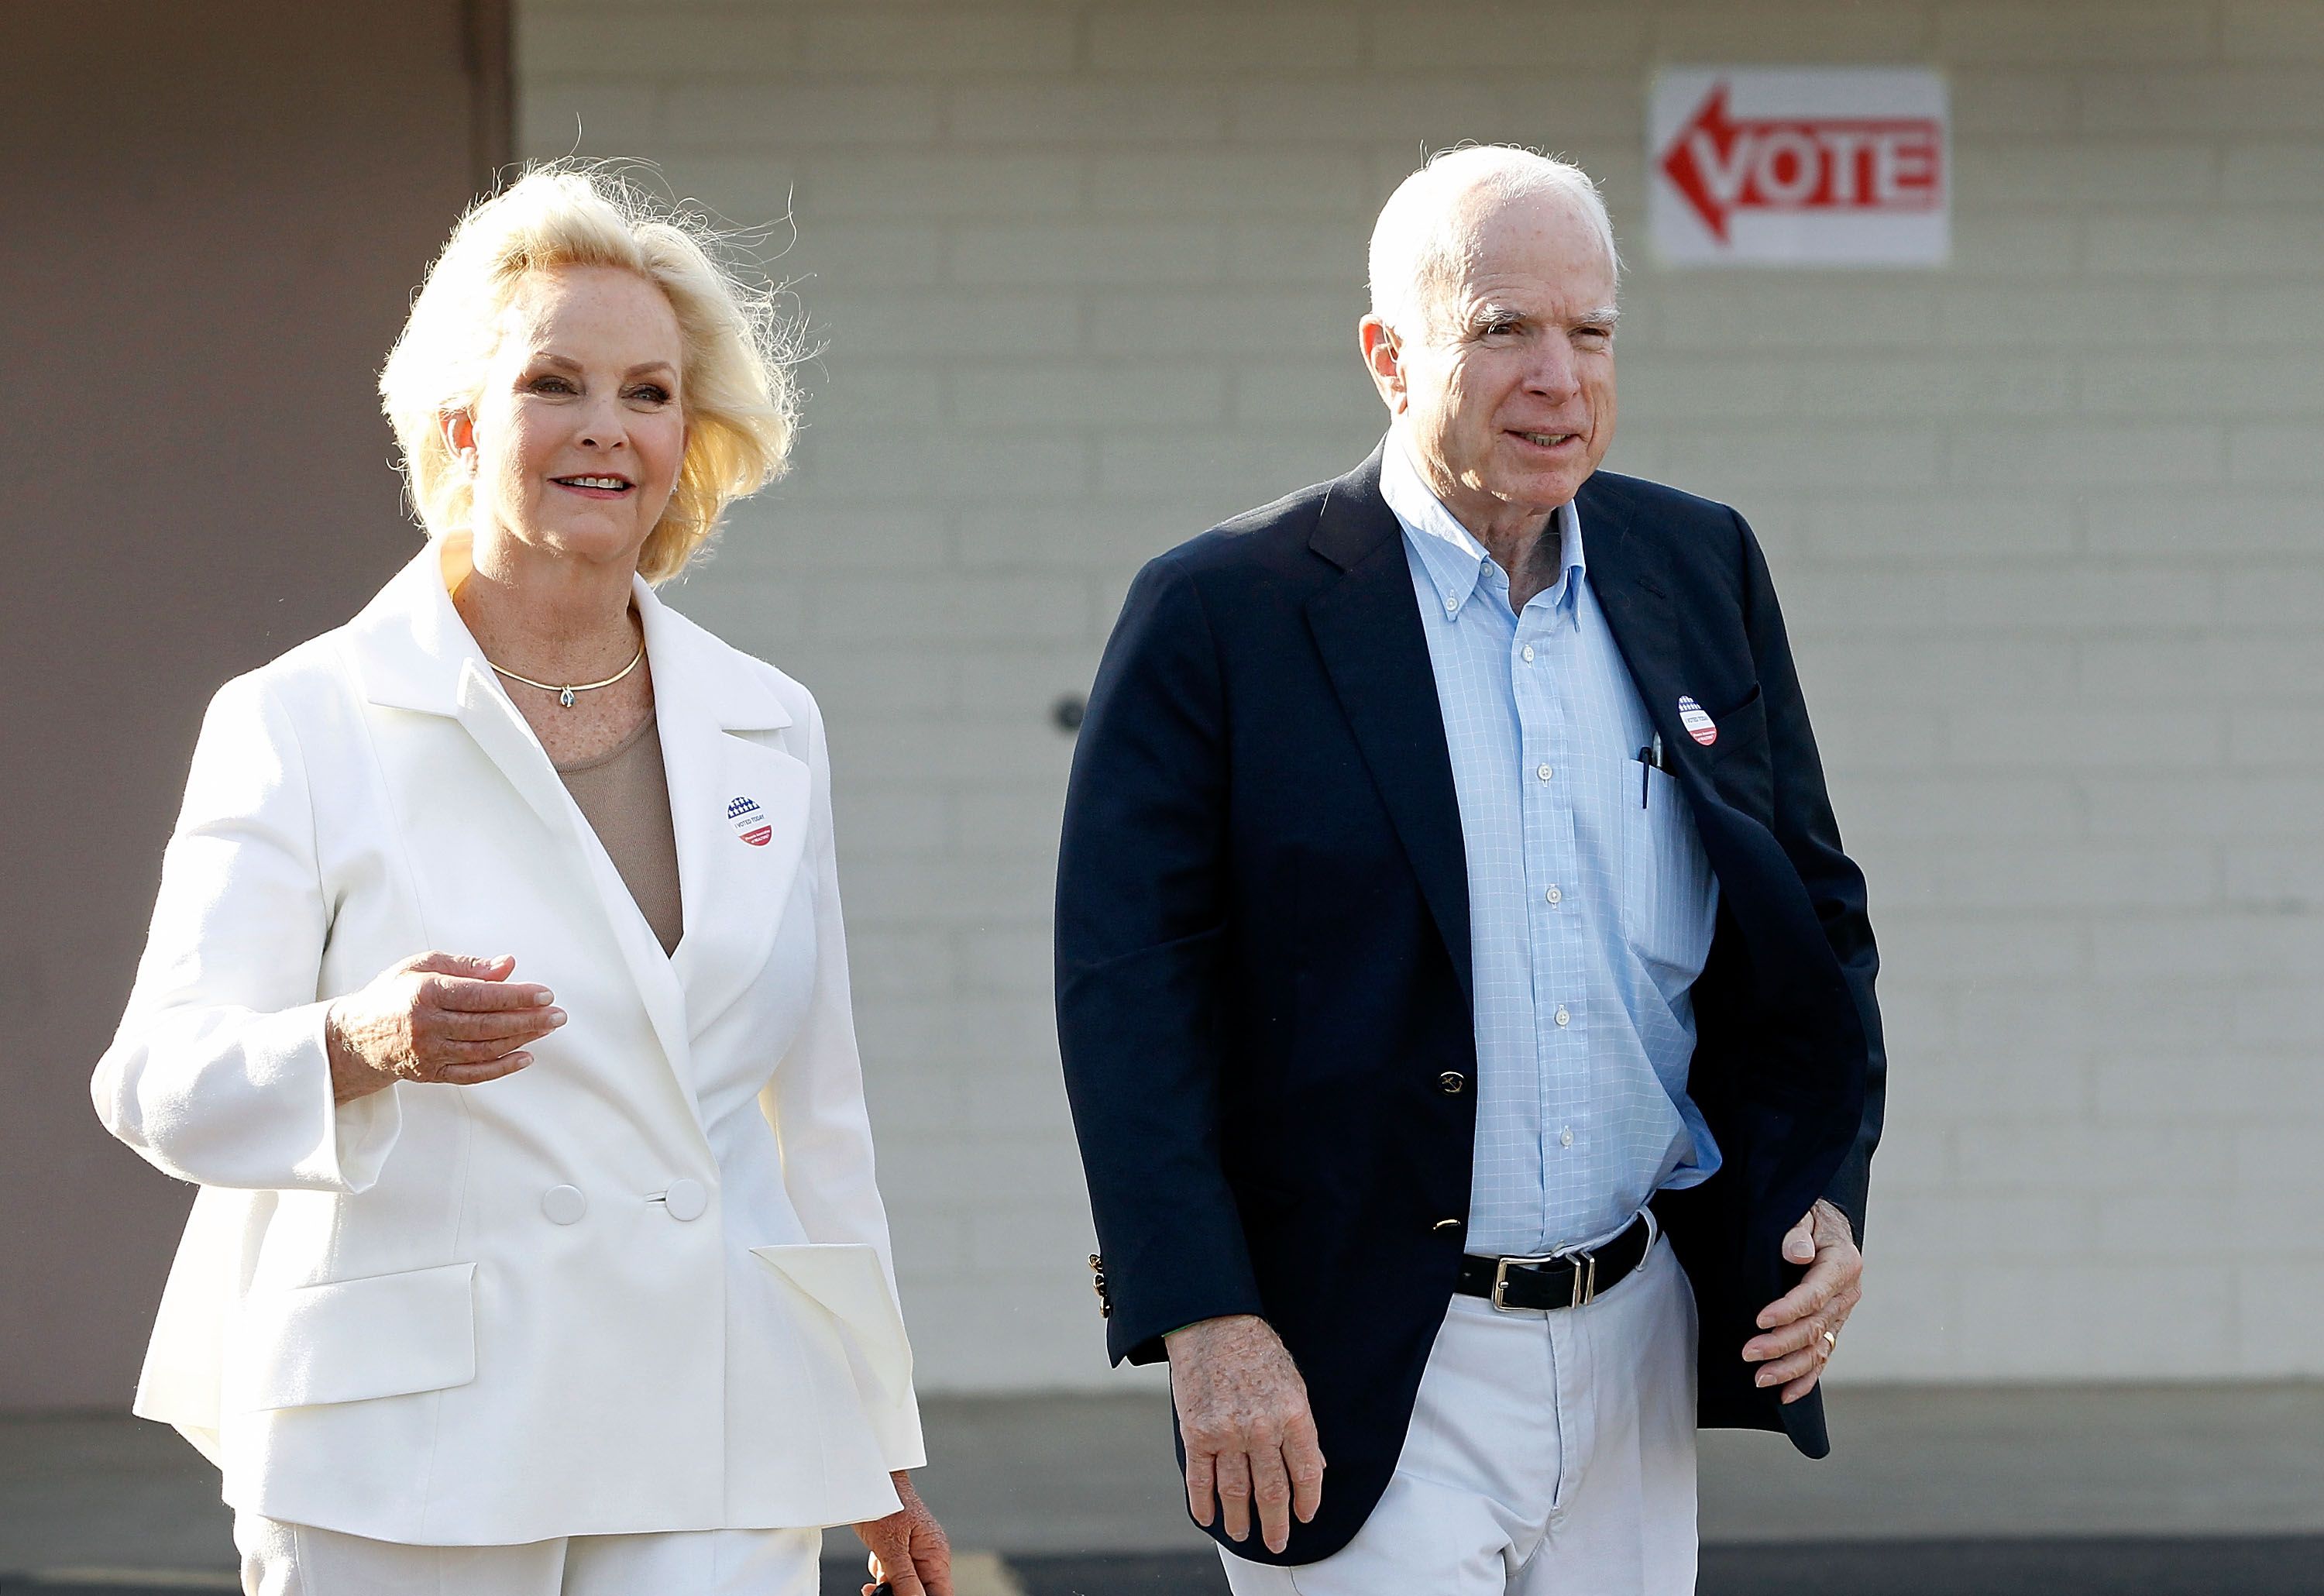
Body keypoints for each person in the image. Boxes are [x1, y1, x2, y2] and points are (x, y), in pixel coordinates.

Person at [92, 166, 951, 1596]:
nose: (607, 427)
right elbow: (155, 1084)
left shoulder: (768, 721)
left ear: (696, 436)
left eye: (652, 392)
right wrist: (359, 1044)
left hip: (716, 1421)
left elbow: (821, 1121)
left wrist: (871, 1435)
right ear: (460, 422)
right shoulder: (299, 717)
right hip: (407, 1443)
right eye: (556, 381)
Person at [1055, 145, 1882, 1593]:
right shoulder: (1222, 613)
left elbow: (1806, 917)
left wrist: (1820, 1191)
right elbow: (1127, 997)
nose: (1559, 376)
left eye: (1591, 331)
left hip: (1640, 1332)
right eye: (1504, 329)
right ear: (1389, 355)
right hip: (1358, 1357)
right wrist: (1205, 1320)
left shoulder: (1701, 566)